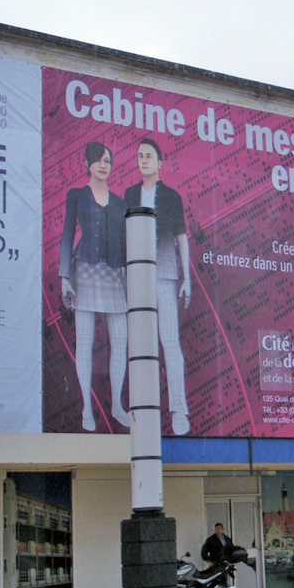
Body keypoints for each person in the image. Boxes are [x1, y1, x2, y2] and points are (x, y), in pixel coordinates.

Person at [59, 141, 129, 432]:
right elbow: (66, 236)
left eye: (108, 161)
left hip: (114, 274)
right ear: (87, 163)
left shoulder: (121, 203)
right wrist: (65, 276)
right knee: (84, 343)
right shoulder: (76, 196)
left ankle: (116, 405)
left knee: (121, 342)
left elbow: (125, 243)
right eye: (99, 160)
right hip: (85, 270)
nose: (103, 165)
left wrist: (129, 278)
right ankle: (88, 409)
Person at [124, 138, 192, 435]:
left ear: (160, 162)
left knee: (170, 342)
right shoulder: (129, 194)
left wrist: (186, 276)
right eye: (139, 155)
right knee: (139, 346)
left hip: (164, 273)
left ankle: (179, 409)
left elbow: (181, 238)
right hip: (137, 276)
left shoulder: (172, 196)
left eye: (149, 155)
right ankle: (141, 409)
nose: (143, 160)